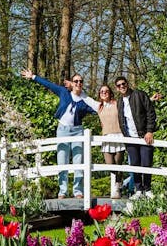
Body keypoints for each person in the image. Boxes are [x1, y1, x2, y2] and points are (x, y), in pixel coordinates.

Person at [21, 69, 95, 199]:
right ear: (71, 83)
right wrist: (33, 76)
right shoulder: (64, 92)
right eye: (76, 81)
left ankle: (78, 191)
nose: (78, 83)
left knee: (78, 160)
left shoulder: (85, 100)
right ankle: (63, 191)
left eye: (80, 81)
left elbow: (98, 110)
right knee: (62, 159)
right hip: (63, 130)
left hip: (78, 131)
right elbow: (49, 84)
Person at [77, 85, 125, 199]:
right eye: (102, 91)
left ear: (110, 93)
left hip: (119, 136)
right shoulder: (99, 106)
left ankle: (117, 187)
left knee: (118, 164)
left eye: (106, 91)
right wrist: (74, 86)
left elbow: (132, 106)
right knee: (110, 165)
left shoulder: (117, 104)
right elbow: (86, 98)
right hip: (106, 137)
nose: (104, 93)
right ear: (99, 94)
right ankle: (116, 185)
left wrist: (151, 100)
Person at [115, 76, 157, 198]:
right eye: (119, 85)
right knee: (135, 163)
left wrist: (149, 131)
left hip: (144, 136)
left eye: (123, 84)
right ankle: (138, 190)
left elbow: (150, 112)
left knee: (146, 163)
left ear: (127, 84)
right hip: (130, 138)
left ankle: (148, 189)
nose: (122, 86)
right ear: (117, 88)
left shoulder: (139, 95)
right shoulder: (120, 102)